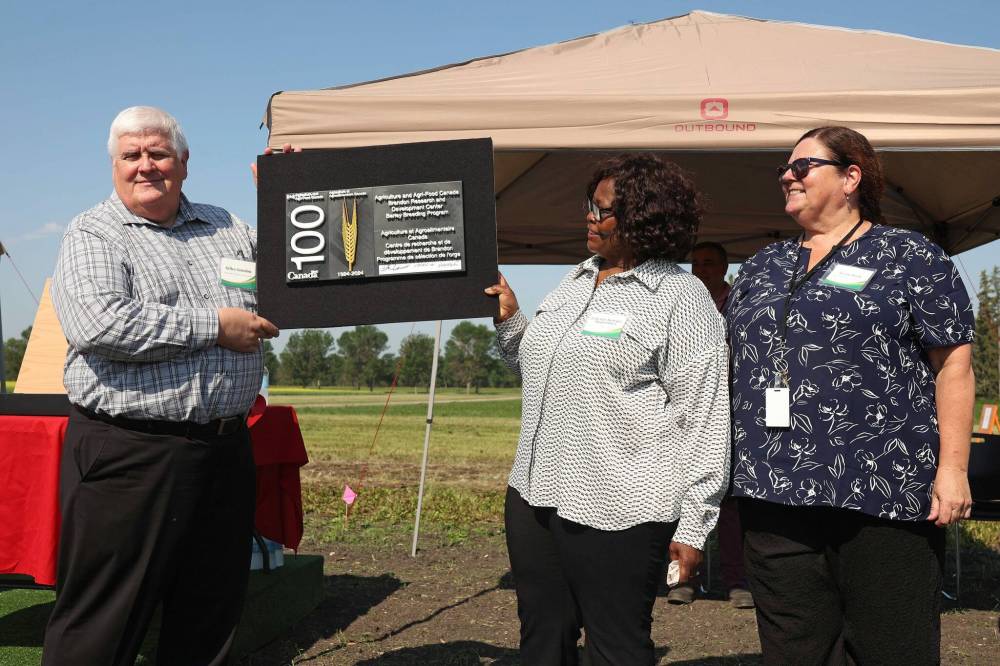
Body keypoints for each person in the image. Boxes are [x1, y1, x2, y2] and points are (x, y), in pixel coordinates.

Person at [44, 106, 285, 666]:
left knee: (209, 616)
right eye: (132, 155)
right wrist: (215, 326)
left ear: (183, 162)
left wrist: (283, 199)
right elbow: (99, 324)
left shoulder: (226, 227)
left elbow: (287, 283)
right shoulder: (93, 232)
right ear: (114, 164)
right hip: (130, 453)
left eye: (158, 153)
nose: (146, 165)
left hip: (224, 448)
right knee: (102, 623)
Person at [726, 126, 975, 664]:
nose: (787, 177)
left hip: (881, 489)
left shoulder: (908, 255)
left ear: (850, 178)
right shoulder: (762, 266)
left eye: (802, 166)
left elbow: (953, 363)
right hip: (774, 487)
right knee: (793, 649)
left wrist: (953, 469)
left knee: (891, 646)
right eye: (783, 170)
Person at [485, 153, 730, 665]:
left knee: (615, 647)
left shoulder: (680, 297)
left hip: (620, 508)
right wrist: (512, 323)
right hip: (535, 494)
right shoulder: (575, 280)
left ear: (644, 219)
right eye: (589, 207)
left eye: (603, 211)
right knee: (541, 640)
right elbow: (543, 370)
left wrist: (694, 524)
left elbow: (704, 419)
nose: (589, 219)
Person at [668, 241, 754, 609]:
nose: (700, 269)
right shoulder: (681, 305)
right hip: (684, 414)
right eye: (695, 263)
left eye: (708, 263)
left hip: (731, 412)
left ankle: (737, 581)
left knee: (731, 502)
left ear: (724, 267)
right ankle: (683, 578)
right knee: (680, 495)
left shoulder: (740, 305)